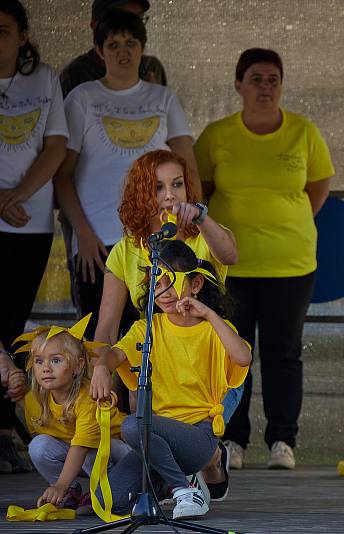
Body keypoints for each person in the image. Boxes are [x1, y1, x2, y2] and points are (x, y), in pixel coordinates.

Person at [194, 48, 334, 470]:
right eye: (256, 79)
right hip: (230, 266)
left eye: (273, 79)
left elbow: (319, 185)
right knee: (234, 352)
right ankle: (233, 441)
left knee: (283, 352)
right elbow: (199, 190)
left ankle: (282, 442)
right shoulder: (217, 135)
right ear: (238, 84)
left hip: (290, 265)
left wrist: (287, 221)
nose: (265, 87)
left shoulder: (303, 131)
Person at [97, 148, 238, 500]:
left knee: (146, 428)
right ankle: (179, 476)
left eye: (177, 184)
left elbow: (231, 255)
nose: (170, 195)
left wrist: (202, 217)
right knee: (109, 500)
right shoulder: (126, 250)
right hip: (161, 373)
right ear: (142, 194)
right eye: (158, 187)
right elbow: (107, 327)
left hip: (210, 370)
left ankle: (206, 459)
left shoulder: (202, 233)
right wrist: (99, 369)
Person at [54, 9, 197, 341]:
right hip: (99, 244)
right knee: (99, 341)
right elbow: (63, 176)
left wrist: (189, 227)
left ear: (142, 48)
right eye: (113, 43)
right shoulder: (82, 98)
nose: (123, 51)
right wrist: (84, 235)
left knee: (156, 339)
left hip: (158, 240)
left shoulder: (164, 98)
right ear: (99, 50)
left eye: (131, 42)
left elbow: (188, 166)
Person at [90, 240, 251, 519]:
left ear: (195, 284)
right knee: (107, 501)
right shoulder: (145, 328)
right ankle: (168, 482)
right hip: (154, 437)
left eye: (168, 280)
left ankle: (184, 488)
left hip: (197, 436)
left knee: (132, 424)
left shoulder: (213, 329)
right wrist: (102, 367)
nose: (161, 290)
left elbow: (243, 358)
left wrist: (208, 314)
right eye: (154, 281)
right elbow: (113, 356)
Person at [0, 0, 68, 474]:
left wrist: (17, 195)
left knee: (11, 324)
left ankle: (5, 433)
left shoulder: (44, 78)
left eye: (3, 30)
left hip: (30, 221)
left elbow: (57, 146)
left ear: (23, 35)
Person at [0, 317, 128, 510]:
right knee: (38, 446)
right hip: (85, 455)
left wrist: (59, 484)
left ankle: (112, 495)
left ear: (78, 366)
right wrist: (18, 390)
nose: (46, 368)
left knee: (90, 452)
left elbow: (81, 448)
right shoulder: (35, 398)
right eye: (39, 361)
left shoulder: (88, 398)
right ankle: (71, 493)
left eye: (56, 360)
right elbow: (38, 422)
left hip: (121, 455)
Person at [60, 0, 166, 98]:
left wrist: (157, 98)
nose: (133, 28)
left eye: (139, 18)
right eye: (122, 20)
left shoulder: (151, 67)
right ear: (96, 25)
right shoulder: (75, 75)